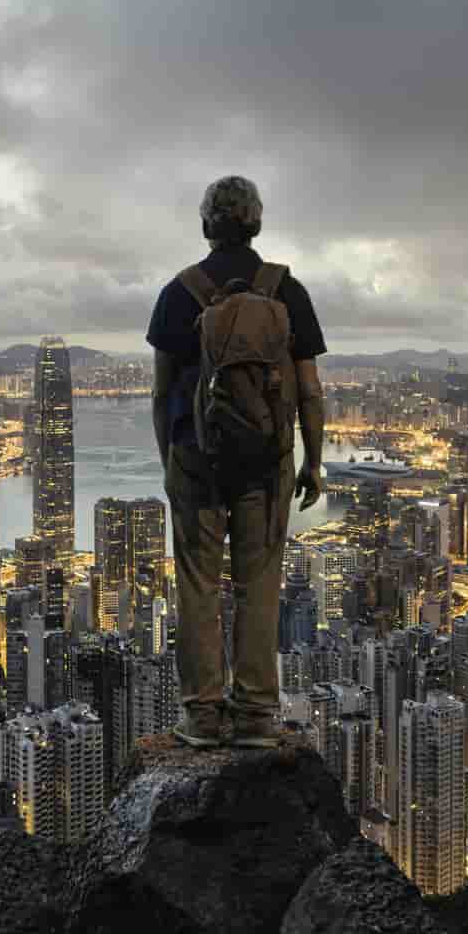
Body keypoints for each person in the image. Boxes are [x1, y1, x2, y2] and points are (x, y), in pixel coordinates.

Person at [146, 175, 327, 747]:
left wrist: (169, 457)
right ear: (256, 223)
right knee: (259, 584)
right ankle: (254, 717)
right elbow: (310, 388)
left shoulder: (179, 293)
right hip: (266, 463)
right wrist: (313, 460)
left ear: (206, 227)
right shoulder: (284, 291)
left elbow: (160, 391)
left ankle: (201, 715)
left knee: (198, 585)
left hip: (195, 461)